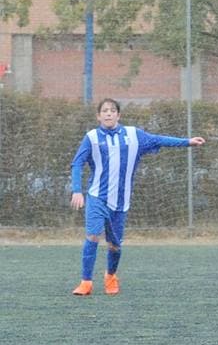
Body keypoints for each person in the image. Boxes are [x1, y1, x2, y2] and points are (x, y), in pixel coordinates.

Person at [68, 98, 205, 296]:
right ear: (98, 116)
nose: (108, 113)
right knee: (93, 235)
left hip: (121, 201)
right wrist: (77, 190)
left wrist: (188, 142)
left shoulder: (133, 135)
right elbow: (77, 163)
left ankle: (110, 276)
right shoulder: (91, 138)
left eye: (112, 110)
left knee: (115, 245)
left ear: (118, 115)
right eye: (104, 111)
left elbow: (158, 140)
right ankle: (86, 282)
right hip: (97, 196)